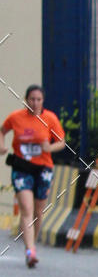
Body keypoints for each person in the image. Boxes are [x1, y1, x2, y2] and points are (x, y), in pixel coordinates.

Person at [0, 85, 65, 267]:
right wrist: (2, 146)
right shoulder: (15, 117)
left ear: (43, 101)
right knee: (26, 209)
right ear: (26, 99)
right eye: (32, 99)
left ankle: (32, 244)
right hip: (22, 168)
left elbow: (61, 142)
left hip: (43, 169)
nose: (35, 103)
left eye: (38, 100)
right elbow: (2, 130)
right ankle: (30, 251)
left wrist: (49, 147)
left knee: (38, 211)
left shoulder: (50, 118)